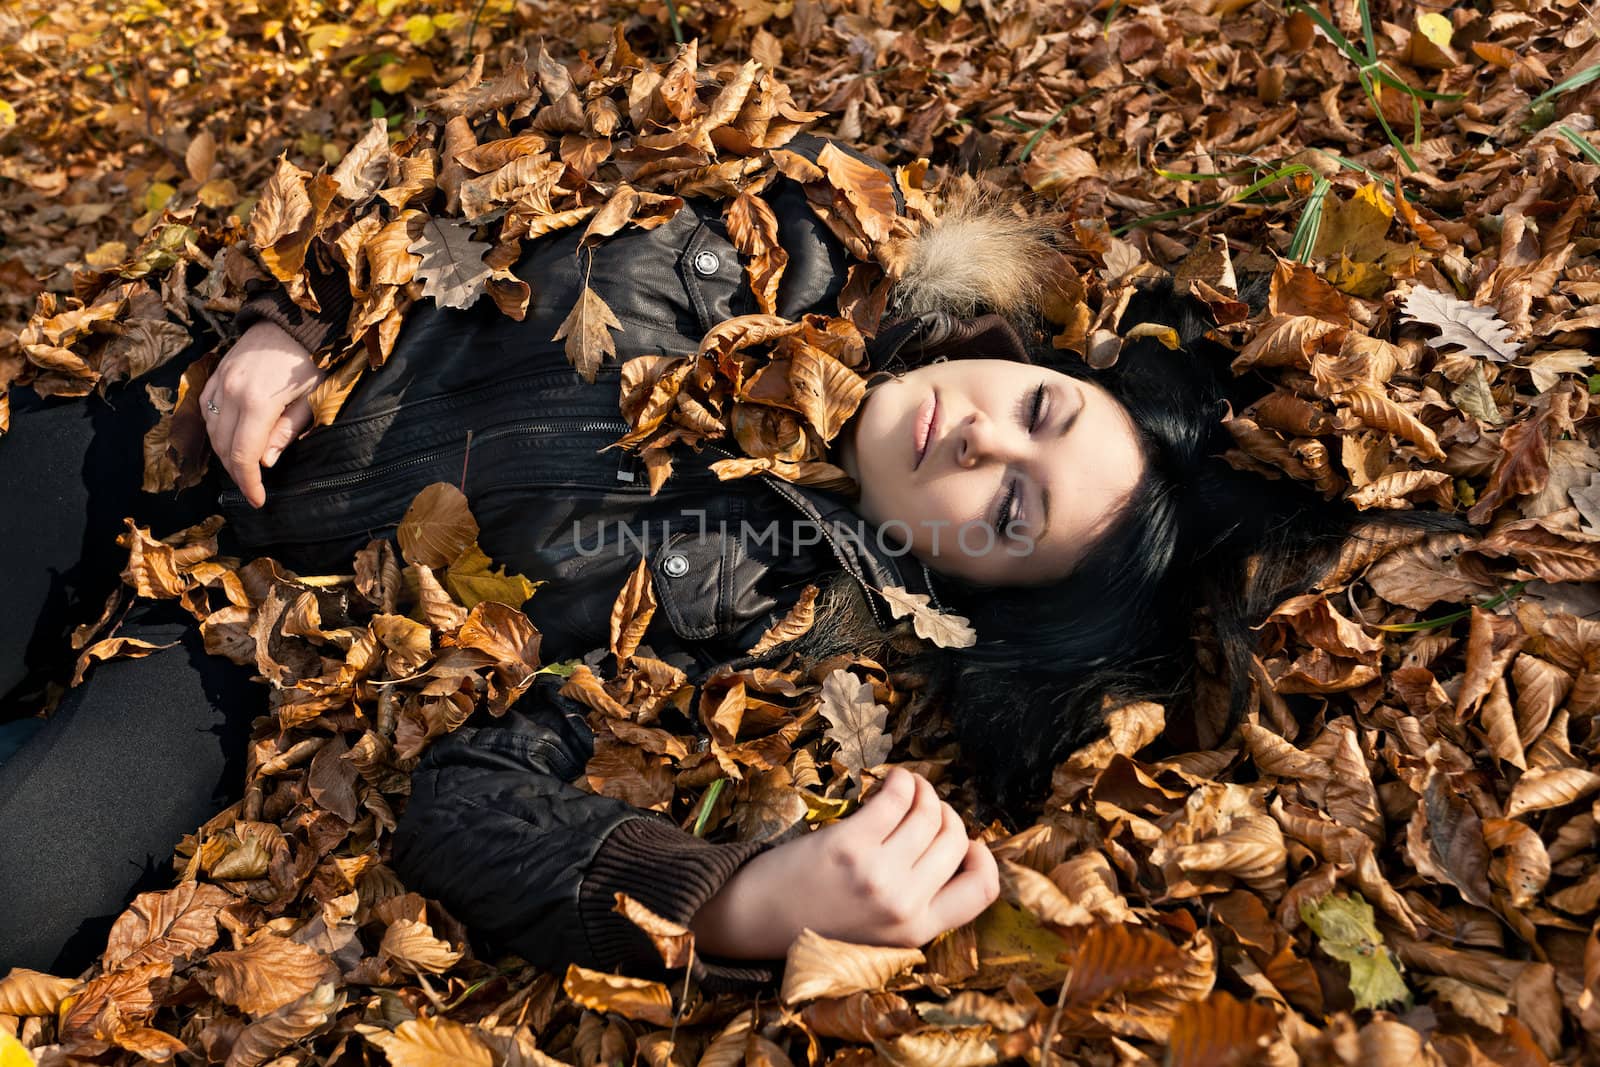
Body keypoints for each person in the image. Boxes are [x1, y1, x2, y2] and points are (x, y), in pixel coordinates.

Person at [0, 131, 1391, 982]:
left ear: (969, 587)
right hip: (174, 438)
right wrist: (296, 320)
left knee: (21, 879)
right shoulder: (783, 230)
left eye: (1013, 513)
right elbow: (461, 195)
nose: (981, 442)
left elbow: (472, 802)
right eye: (1037, 413)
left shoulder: (776, 633)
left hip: (243, 655)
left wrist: (736, 900)